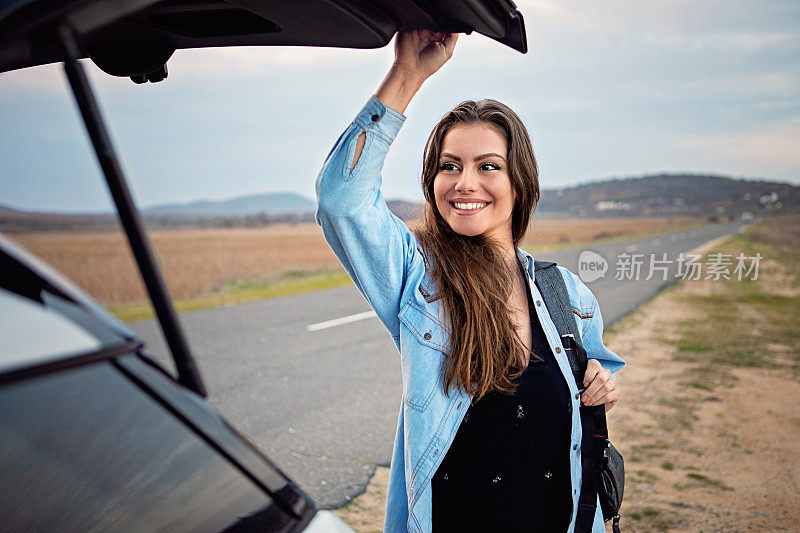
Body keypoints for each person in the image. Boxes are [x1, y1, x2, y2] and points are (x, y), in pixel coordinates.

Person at [315, 29, 625, 533]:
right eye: (449, 166)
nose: (465, 183)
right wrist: (407, 74)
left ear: (519, 180)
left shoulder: (567, 293)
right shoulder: (418, 276)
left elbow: (597, 377)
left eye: (488, 166)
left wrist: (603, 386)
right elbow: (341, 201)